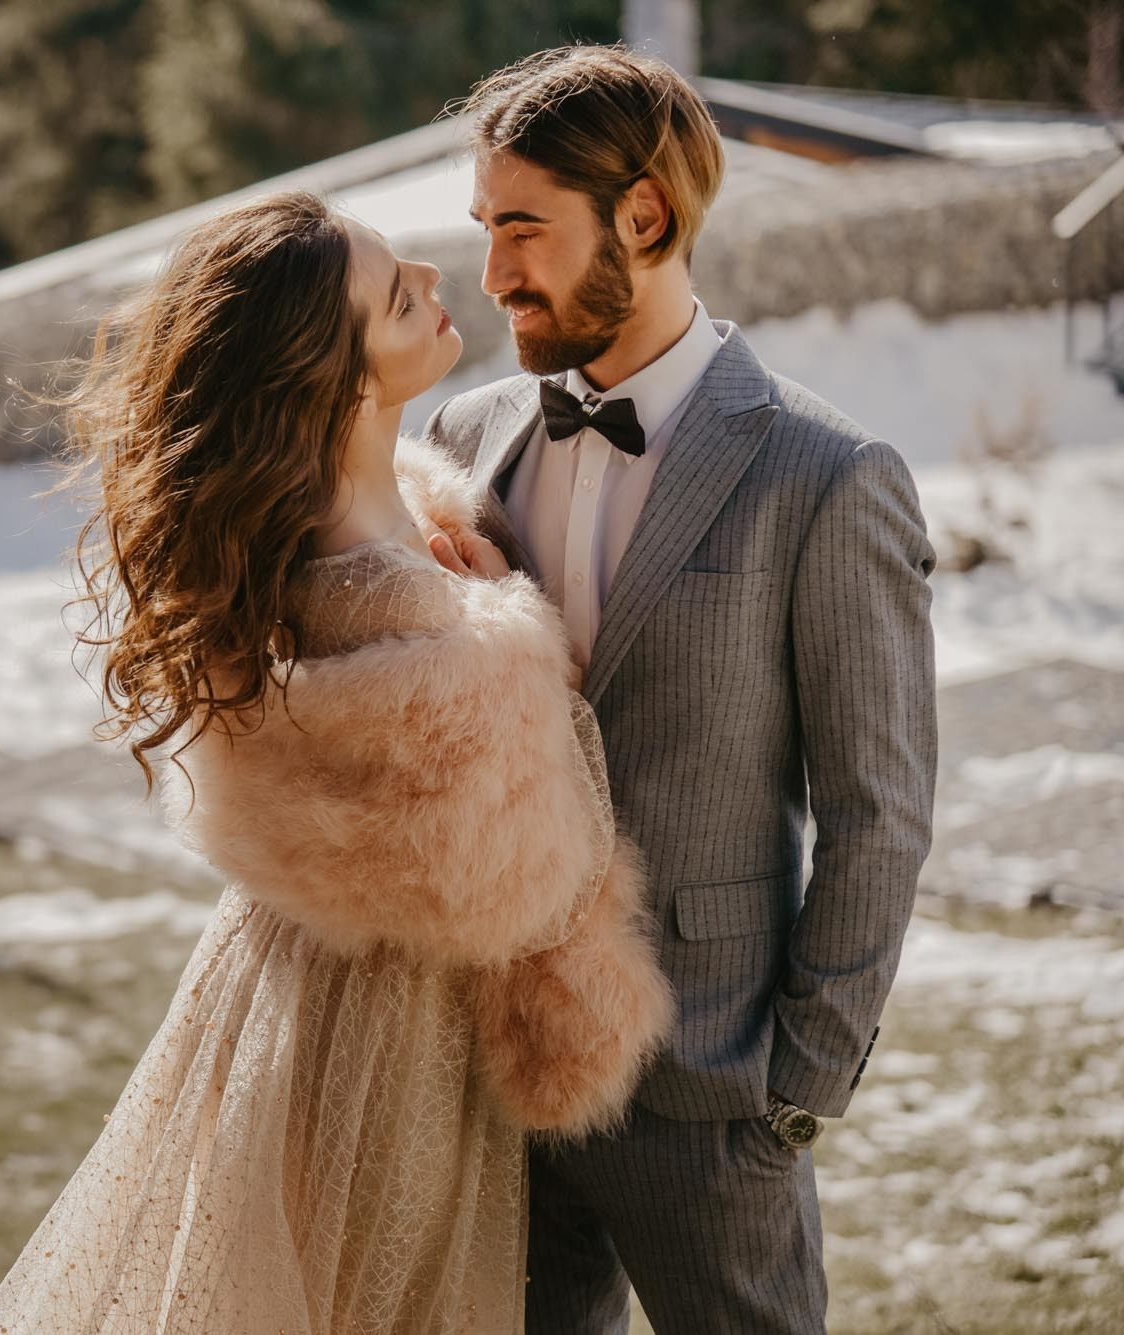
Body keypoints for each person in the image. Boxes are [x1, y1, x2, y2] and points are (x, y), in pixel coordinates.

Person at [0, 188, 674, 1333]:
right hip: (393, 1047)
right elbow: (528, 880)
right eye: (399, 294)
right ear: (338, 379)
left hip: (280, 993)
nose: (440, 282)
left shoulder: (321, 539)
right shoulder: (422, 606)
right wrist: (522, 654)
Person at [420, 45, 939, 1333]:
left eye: (523, 229)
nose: (492, 275)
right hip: (493, 1078)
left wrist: (794, 1089)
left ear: (641, 215)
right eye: (485, 228)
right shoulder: (455, 443)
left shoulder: (825, 476)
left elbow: (879, 811)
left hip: (708, 1094)